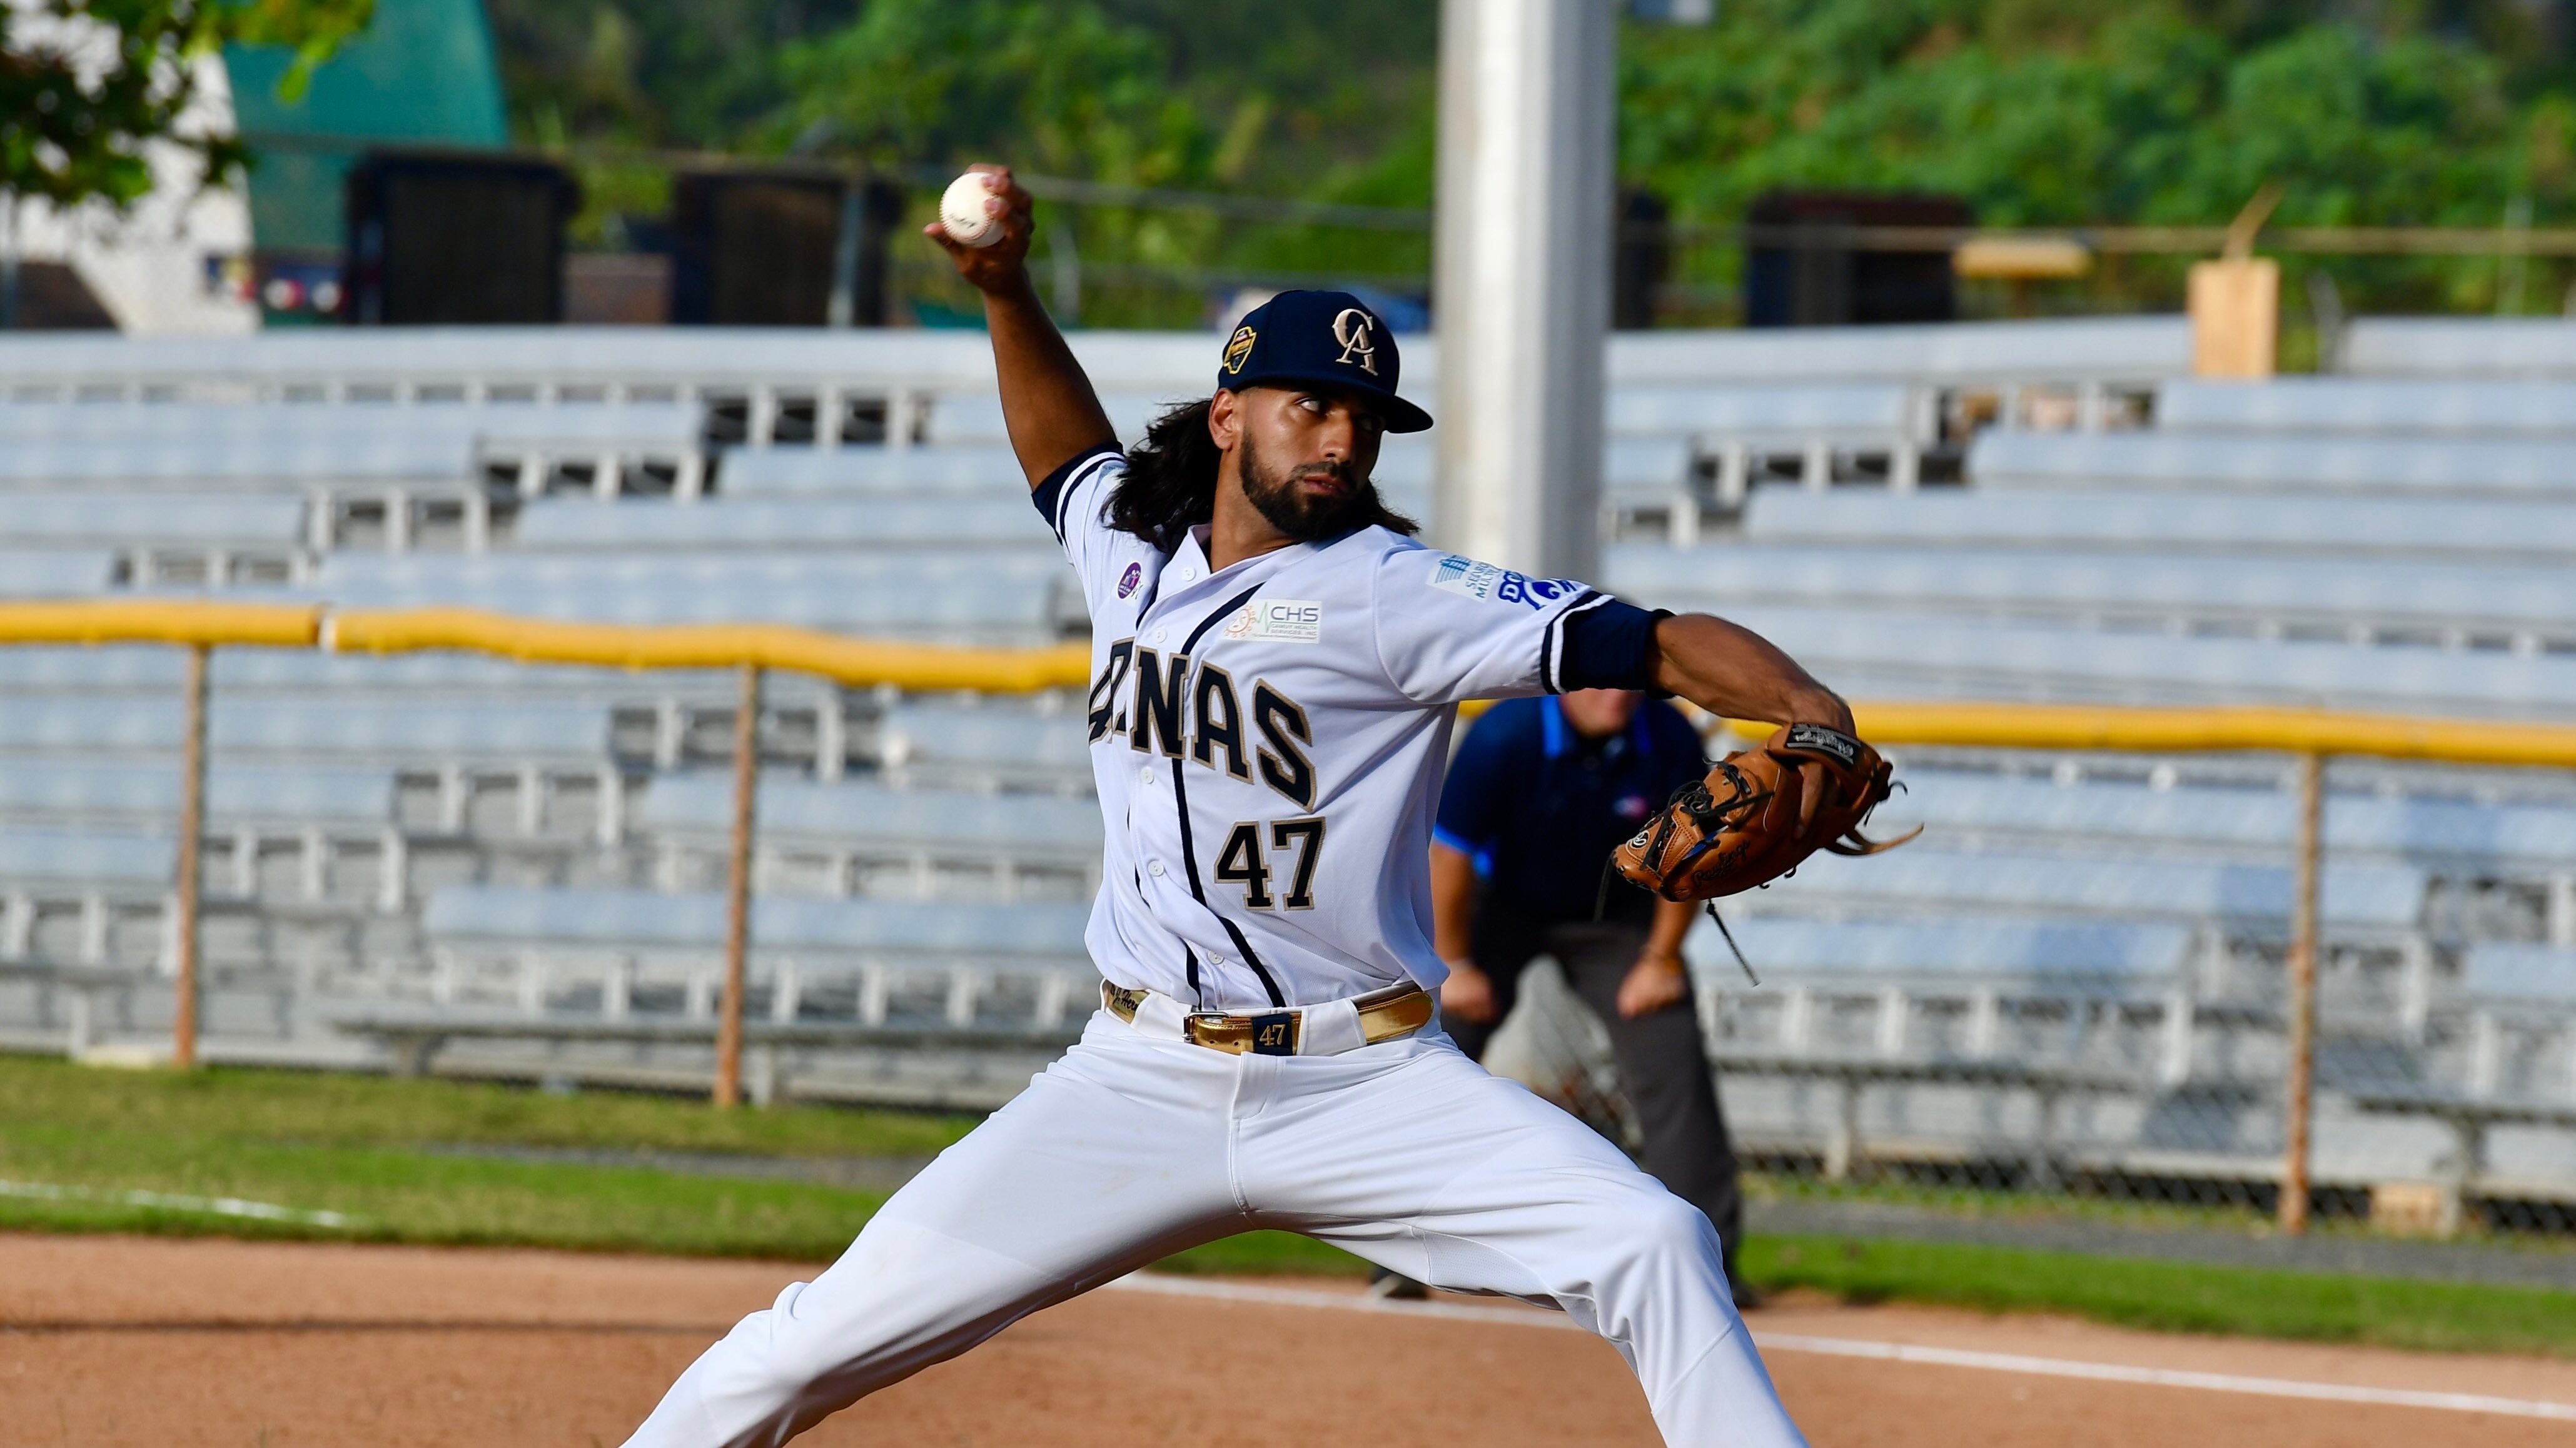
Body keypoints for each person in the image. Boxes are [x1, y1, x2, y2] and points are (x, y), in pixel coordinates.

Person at [618, 166, 1850, 1448]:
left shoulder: (1393, 592)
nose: (1337, 440)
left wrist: (1809, 707)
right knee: (799, 1349)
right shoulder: (1129, 548)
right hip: (1131, 1081)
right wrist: (1005, 291)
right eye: (1307, 405)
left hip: (1367, 1084)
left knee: (1654, 1239)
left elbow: (1648, 641)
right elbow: (1062, 452)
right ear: (1225, 418)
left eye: (1363, 420)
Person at [1427, 687, 1755, 1307]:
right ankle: (1404, 1250)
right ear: (1563, 682)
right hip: (1503, 909)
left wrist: (1661, 961)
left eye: (1630, 677)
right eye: (1600, 678)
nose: (1619, 692)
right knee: (1432, 1048)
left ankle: (1711, 1269)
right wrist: (1457, 963)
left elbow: (1694, 859)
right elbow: (1451, 854)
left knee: (1672, 1056)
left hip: (1618, 918)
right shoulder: (1506, 734)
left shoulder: (1669, 736)